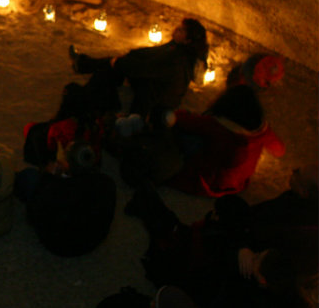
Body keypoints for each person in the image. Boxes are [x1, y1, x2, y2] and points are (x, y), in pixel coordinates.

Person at [125, 183, 317, 308]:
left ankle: (146, 202)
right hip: (202, 251)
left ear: (262, 280)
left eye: (257, 259)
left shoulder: (240, 295)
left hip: (189, 272)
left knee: (169, 238)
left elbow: (203, 285)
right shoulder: (274, 272)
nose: (255, 255)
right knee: (173, 230)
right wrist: (241, 247)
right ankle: (147, 202)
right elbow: (233, 208)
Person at [69, 18, 209, 123]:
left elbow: (147, 68)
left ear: (188, 40)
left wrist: (121, 62)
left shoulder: (177, 58)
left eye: (182, 30)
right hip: (152, 80)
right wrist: (130, 55)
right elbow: (151, 53)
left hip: (154, 95)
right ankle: (83, 67)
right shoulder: (175, 48)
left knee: (111, 69)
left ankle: (83, 75)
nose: (176, 29)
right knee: (115, 64)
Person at [167, 84, 285, 197]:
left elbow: (183, 120)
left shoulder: (218, 126)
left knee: (185, 135)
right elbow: (280, 150)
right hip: (238, 183)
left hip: (209, 182)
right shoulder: (262, 130)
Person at [24, 140, 116, 257]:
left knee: (30, 175)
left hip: (58, 245)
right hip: (92, 242)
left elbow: (32, 214)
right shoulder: (108, 183)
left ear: (68, 163)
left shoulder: (55, 189)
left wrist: (47, 177)